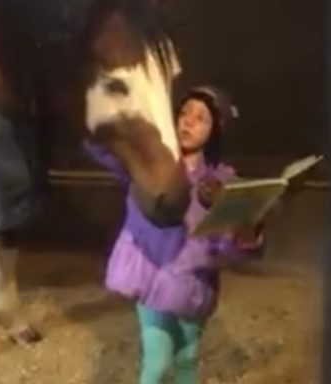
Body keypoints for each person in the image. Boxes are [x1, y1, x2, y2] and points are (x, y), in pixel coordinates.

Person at [85, 86, 264, 384]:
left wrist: (241, 227)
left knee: (187, 360)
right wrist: (101, 119)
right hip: (152, 277)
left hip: (194, 286)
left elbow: (230, 249)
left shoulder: (224, 182)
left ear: (215, 130)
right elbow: (104, 149)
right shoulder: (150, 166)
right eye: (184, 113)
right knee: (157, 363)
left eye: (201, 118)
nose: (189, 122)